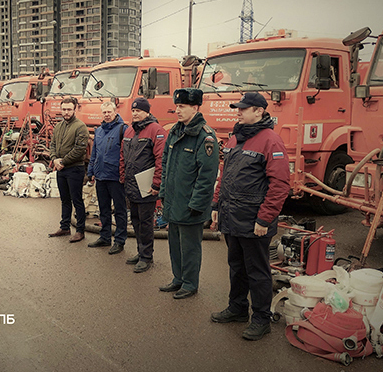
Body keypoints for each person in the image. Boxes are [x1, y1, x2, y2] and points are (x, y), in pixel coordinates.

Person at [209, 92, 290, 341]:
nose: (239, 111)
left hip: (254, 221)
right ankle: (237, 308)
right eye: (238, 108)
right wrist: (216, 203)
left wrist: (264, 220)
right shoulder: (236, 139)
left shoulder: (271, 141)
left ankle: (261, 318)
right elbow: (225, 175)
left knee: (258, 271)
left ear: (259, 111)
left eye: (244, 108)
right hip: (232, 217)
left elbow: (280, 185)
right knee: (236, 267)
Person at [158, 88, 219, 299]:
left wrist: (197, 204)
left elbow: (207, 175)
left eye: (182, 106)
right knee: (174, 244)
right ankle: (178, 278)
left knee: (190, 248)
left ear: (195, 107)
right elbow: (166, 164)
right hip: (174, 201)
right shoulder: (175, 131)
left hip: (190, 205)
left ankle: (190, 283)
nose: (177, 110)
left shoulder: (205, 136)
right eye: (177, 106)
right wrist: (164, 193)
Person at [120, 97, 167, 273]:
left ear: (147, 112)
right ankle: (140, 252)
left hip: (146, 186)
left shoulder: (156, 130)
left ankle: (147, 256)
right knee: (136, 221)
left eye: (138, 110)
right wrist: (123, 177)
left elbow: (161, 159)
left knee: (146, 222)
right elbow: (123, 156)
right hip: (131, 185)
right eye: (133, 111)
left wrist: (156, 184)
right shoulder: (129, 131)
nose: (135, 113)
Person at [86, 101, 127, 255]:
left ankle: (119, 240)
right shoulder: (99, 131)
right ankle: (105, 237)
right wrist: (91, 171)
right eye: (104, 112)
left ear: (115, 112)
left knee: (120, 210)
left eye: (109, 112)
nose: (107, 115)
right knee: (103, 208)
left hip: (116, 177)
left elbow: (126, 155)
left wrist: (124, 175)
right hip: (101, 176)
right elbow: (94, 153)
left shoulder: (123, 129)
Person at [47, 97, 89, 243]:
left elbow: (80, 149)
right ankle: (65, 226)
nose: (66, 112)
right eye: (64, 109)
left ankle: (80, 230)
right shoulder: (59, 127)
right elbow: (52, 145)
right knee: (64, 199)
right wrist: (54, 159)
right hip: (61, 169)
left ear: (75, 109)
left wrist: (63, 161)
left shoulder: (80, 127)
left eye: (69, 109)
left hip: (74, 169)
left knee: (77, 200)